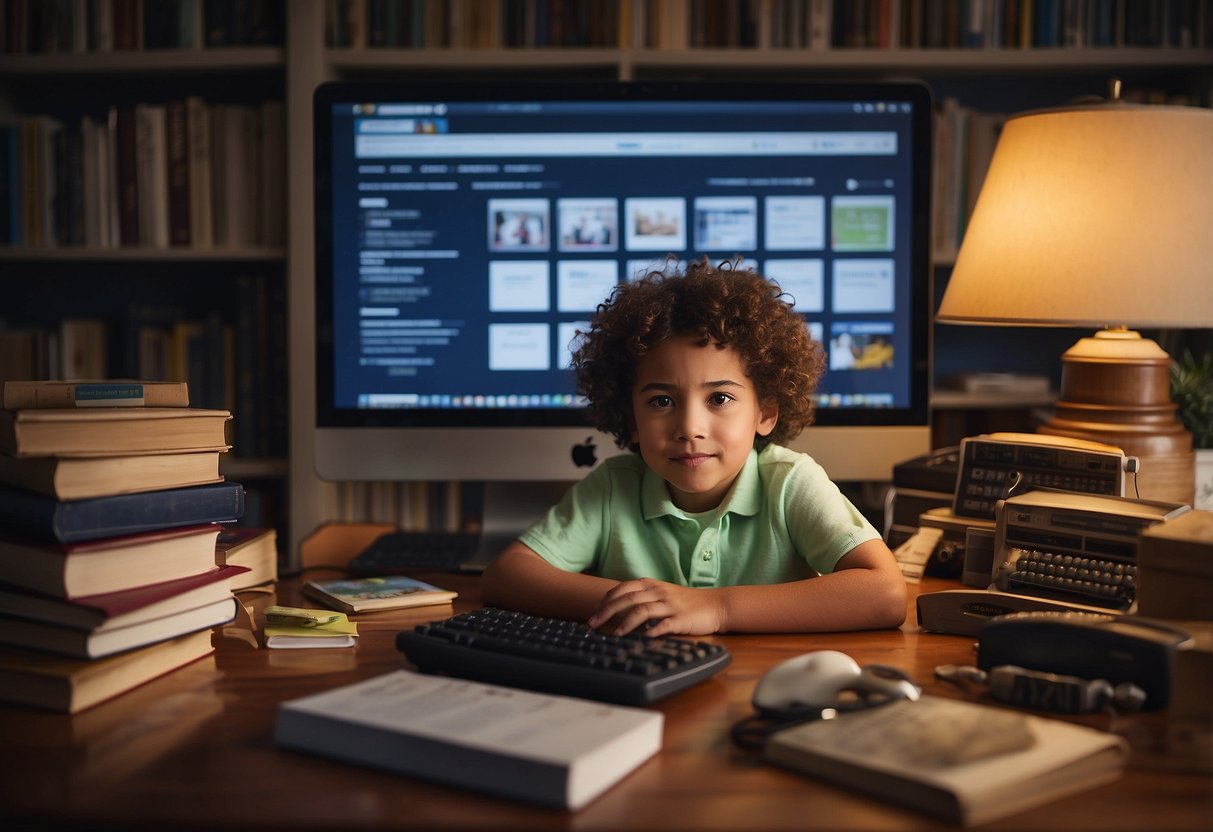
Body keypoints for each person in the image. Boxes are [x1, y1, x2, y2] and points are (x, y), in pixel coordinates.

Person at [481, 258, 907, 637]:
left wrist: (715, 608)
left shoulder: (790, 484)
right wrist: (645, 604)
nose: (688, 428)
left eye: (719, 398)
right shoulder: (613, 489)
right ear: (631, 420)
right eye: (661, 401)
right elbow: (507, 575)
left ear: (766, 413)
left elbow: (885, 592)